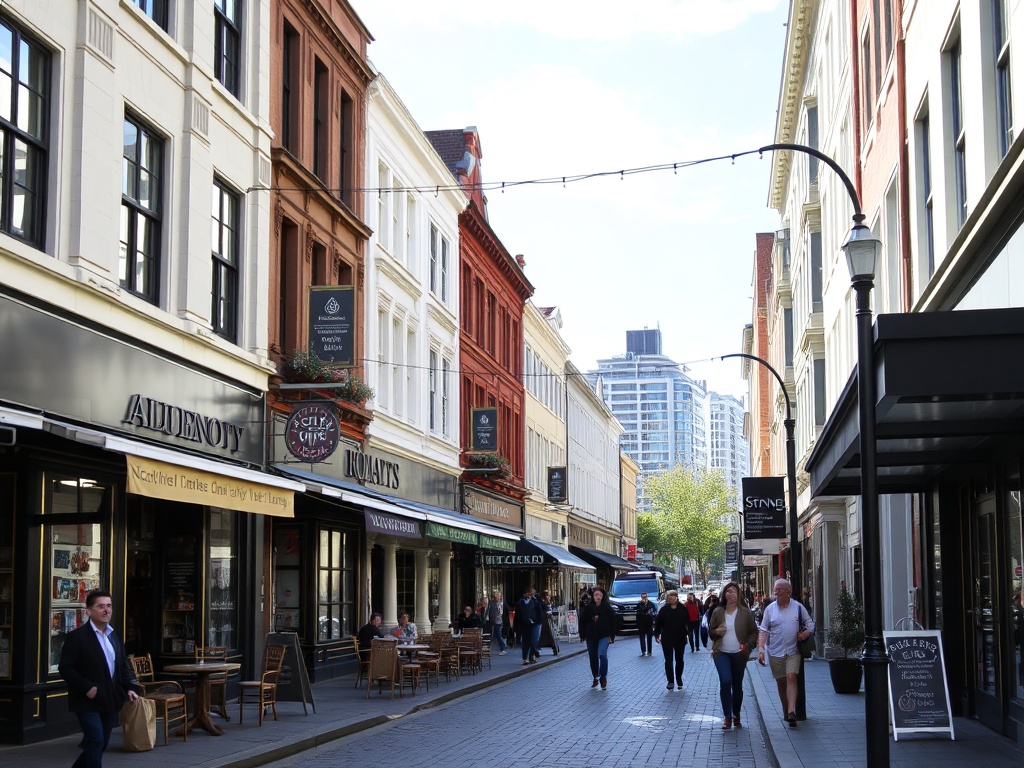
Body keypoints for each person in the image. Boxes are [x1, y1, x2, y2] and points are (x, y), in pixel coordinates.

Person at [58, 589, 141, 768]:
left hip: (110, 699)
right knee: (95, 740)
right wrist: (87, 687)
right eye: (101, 606)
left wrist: (130, 688)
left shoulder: (113, 636)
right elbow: (65, 668)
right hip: (87, 699)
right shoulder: (77, 637)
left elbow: (122, 665)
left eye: (109, 606)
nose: (106, 610)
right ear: (89, 611)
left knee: (100, 744)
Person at [758, 578, 814, 728]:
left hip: (793, 650)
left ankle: (791, 712)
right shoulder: (770, 609)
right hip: (775, 652)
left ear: (788, 592)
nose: (776, 592)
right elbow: (764, 630)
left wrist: (804, 634)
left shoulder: (798, 607)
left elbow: (810, 624)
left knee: (791, 678)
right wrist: (761, 649)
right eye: (775, 590)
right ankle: (786, 710)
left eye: (780, 590)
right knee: (781, 682)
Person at [709, 582, 759, 730]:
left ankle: (736, 714)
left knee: (737, 685)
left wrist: (748, 646)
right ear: (724, 594)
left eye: (733, 591)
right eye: (728, 591)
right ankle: (727, 717)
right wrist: (716, 631)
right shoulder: (718, 611)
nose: (730, 594)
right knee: (725, 681)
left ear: (738, 594)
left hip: (739, 654)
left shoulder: (745, 612)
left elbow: (753, 632)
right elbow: (709, 632)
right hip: (721, 653)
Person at [578, 585, 616, 689]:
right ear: (593, 597)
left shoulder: (607, 607)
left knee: (602, 654)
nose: (598, 597)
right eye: (596, 595)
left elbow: (613, 621)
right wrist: (582, 634)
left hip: (604, 635)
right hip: (591, 636)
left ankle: (603, 678)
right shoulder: (589, 607)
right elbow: (582, 621)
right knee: (593, 657)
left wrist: (612, 635)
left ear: (603, 596)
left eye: (600, 595)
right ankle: (595, 676)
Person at [654, 589, 691, 691]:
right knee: (668, 660)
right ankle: (670, 680)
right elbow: (658, 623)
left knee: (679, 660)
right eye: (669, 598)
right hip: (667, 638)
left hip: (680, 638)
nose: (671, 599)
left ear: (676, 597)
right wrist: (656, 634)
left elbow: (688, 623)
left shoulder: (683, 609)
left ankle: (679, 678)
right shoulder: (664, 610)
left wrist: (688, 634)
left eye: (673, 597)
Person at [514, 586, 544, 665]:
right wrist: (516, 627)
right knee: (526, 641)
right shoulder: (521, 602)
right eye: (527, 593)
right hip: (524, 624)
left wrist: (539, 620)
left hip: (535, 623)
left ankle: (532, 655)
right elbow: (517, 615)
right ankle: (525, 658)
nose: (529, 595)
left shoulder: (536, 601)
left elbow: (541, 609)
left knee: (533, 640)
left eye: (530, 593)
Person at [636, 591, 657, 656]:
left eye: (645, 597)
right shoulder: (639, 605)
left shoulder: (651, 604)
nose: (644, 598)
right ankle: (643, 651)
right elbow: (639, 612)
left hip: (649, 622)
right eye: (643, 597)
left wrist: (654, 622)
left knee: (649, 637)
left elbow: (654, 613)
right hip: (641, 623)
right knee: (642, 637)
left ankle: (649, 651)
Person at [486, 591, 507, 655]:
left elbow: (500, 613)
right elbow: (488, 611)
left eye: (498, 596)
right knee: (492, 635)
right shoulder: (492, 603)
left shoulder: (499, 603)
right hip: (492, 621)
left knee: (498, 635)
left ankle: (503, 648)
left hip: (497, 621)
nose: (497, 597)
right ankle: (490, 649)